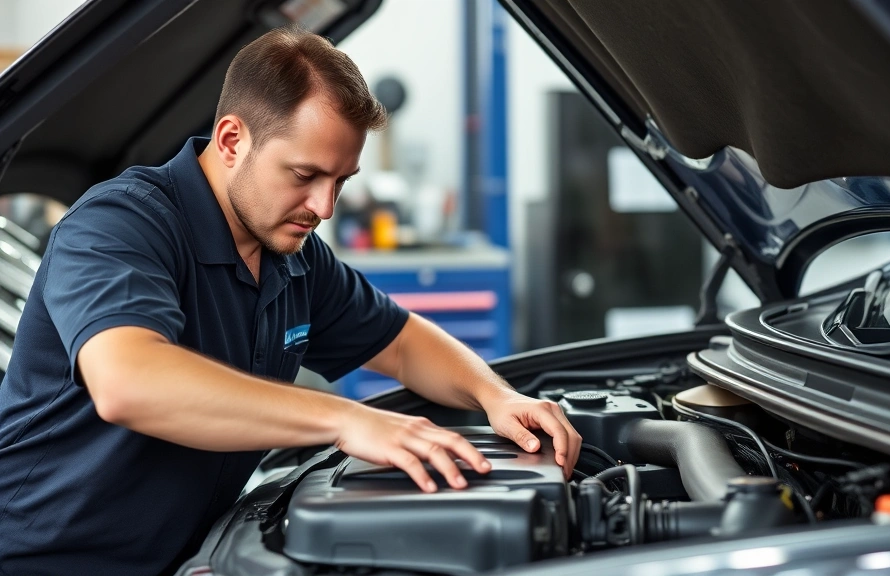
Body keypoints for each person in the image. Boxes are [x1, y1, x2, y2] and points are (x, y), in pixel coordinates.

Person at [0, 26, 581, 576]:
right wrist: (345, 419)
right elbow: (128, 382)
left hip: (184, 557)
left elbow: (402, 343)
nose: (324, 206)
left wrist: (496, 396)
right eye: (304, 174)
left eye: (341, 181)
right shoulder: (122, 223)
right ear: (232, 140)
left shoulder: (293, 256)